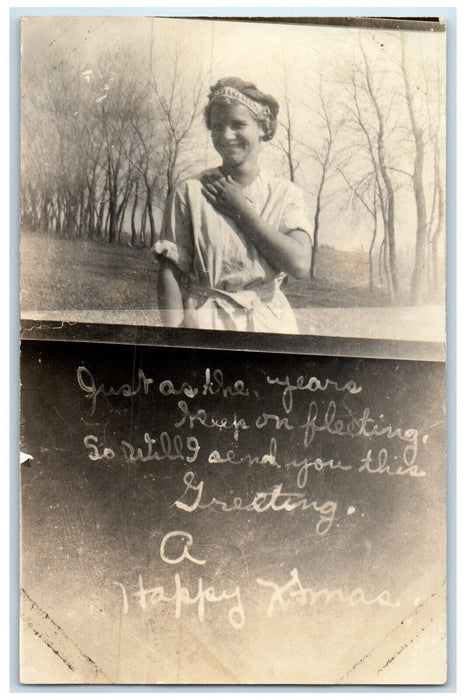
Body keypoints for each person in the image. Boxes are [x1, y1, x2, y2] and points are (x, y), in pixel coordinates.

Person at [153, 76, 313, 333]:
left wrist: (241, 209)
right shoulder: (190, 192)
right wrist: (174, 339)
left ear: (262, 127)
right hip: (206, 323)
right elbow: (169, 274)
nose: (227, 136)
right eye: (217, 127)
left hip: (269, 324)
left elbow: (300, 265)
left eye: (238, 125)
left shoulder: (285, 194)